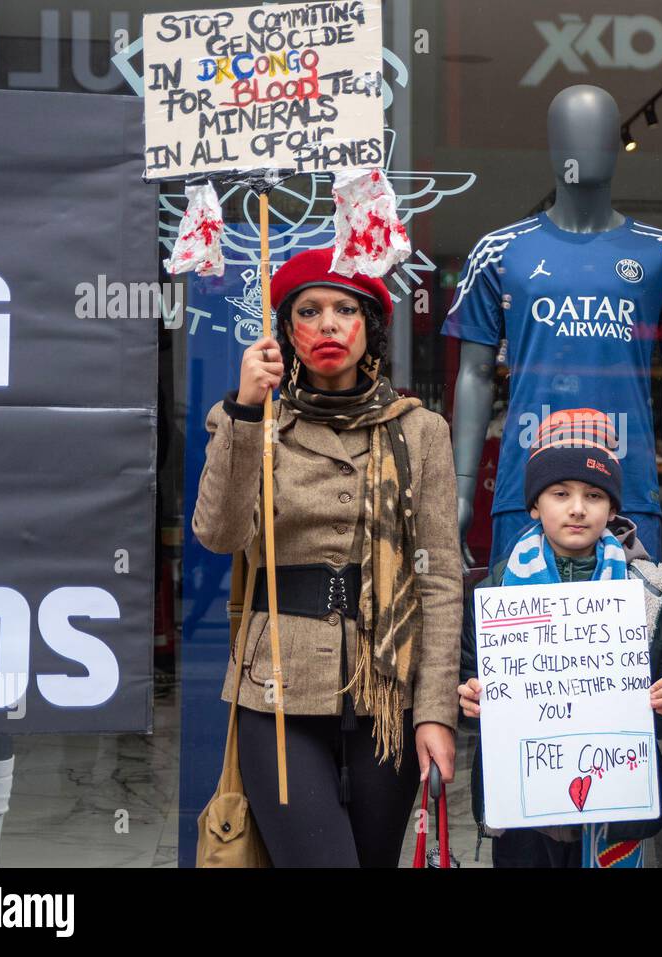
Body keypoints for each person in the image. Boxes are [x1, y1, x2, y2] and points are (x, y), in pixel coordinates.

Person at [191, 247, 462, 867]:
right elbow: (219, 533)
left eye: (346, 309)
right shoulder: (253, 420)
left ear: (370, 327)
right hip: (277, 688)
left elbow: (440, 580)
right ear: (286, 331)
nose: (329, 325)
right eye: (308, 312)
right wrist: (244, 412)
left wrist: (435, 712)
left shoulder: (421, 431)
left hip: (387, 692)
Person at [457, 410, 662, 867]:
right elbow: (468, 692)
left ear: (612, 506)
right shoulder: (494, 592)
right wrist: (468, 702)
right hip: (523, 814)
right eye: (560, 493)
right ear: (534, 504)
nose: (578, 508)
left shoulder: (651, 589)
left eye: (594, 494)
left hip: (617, 811)